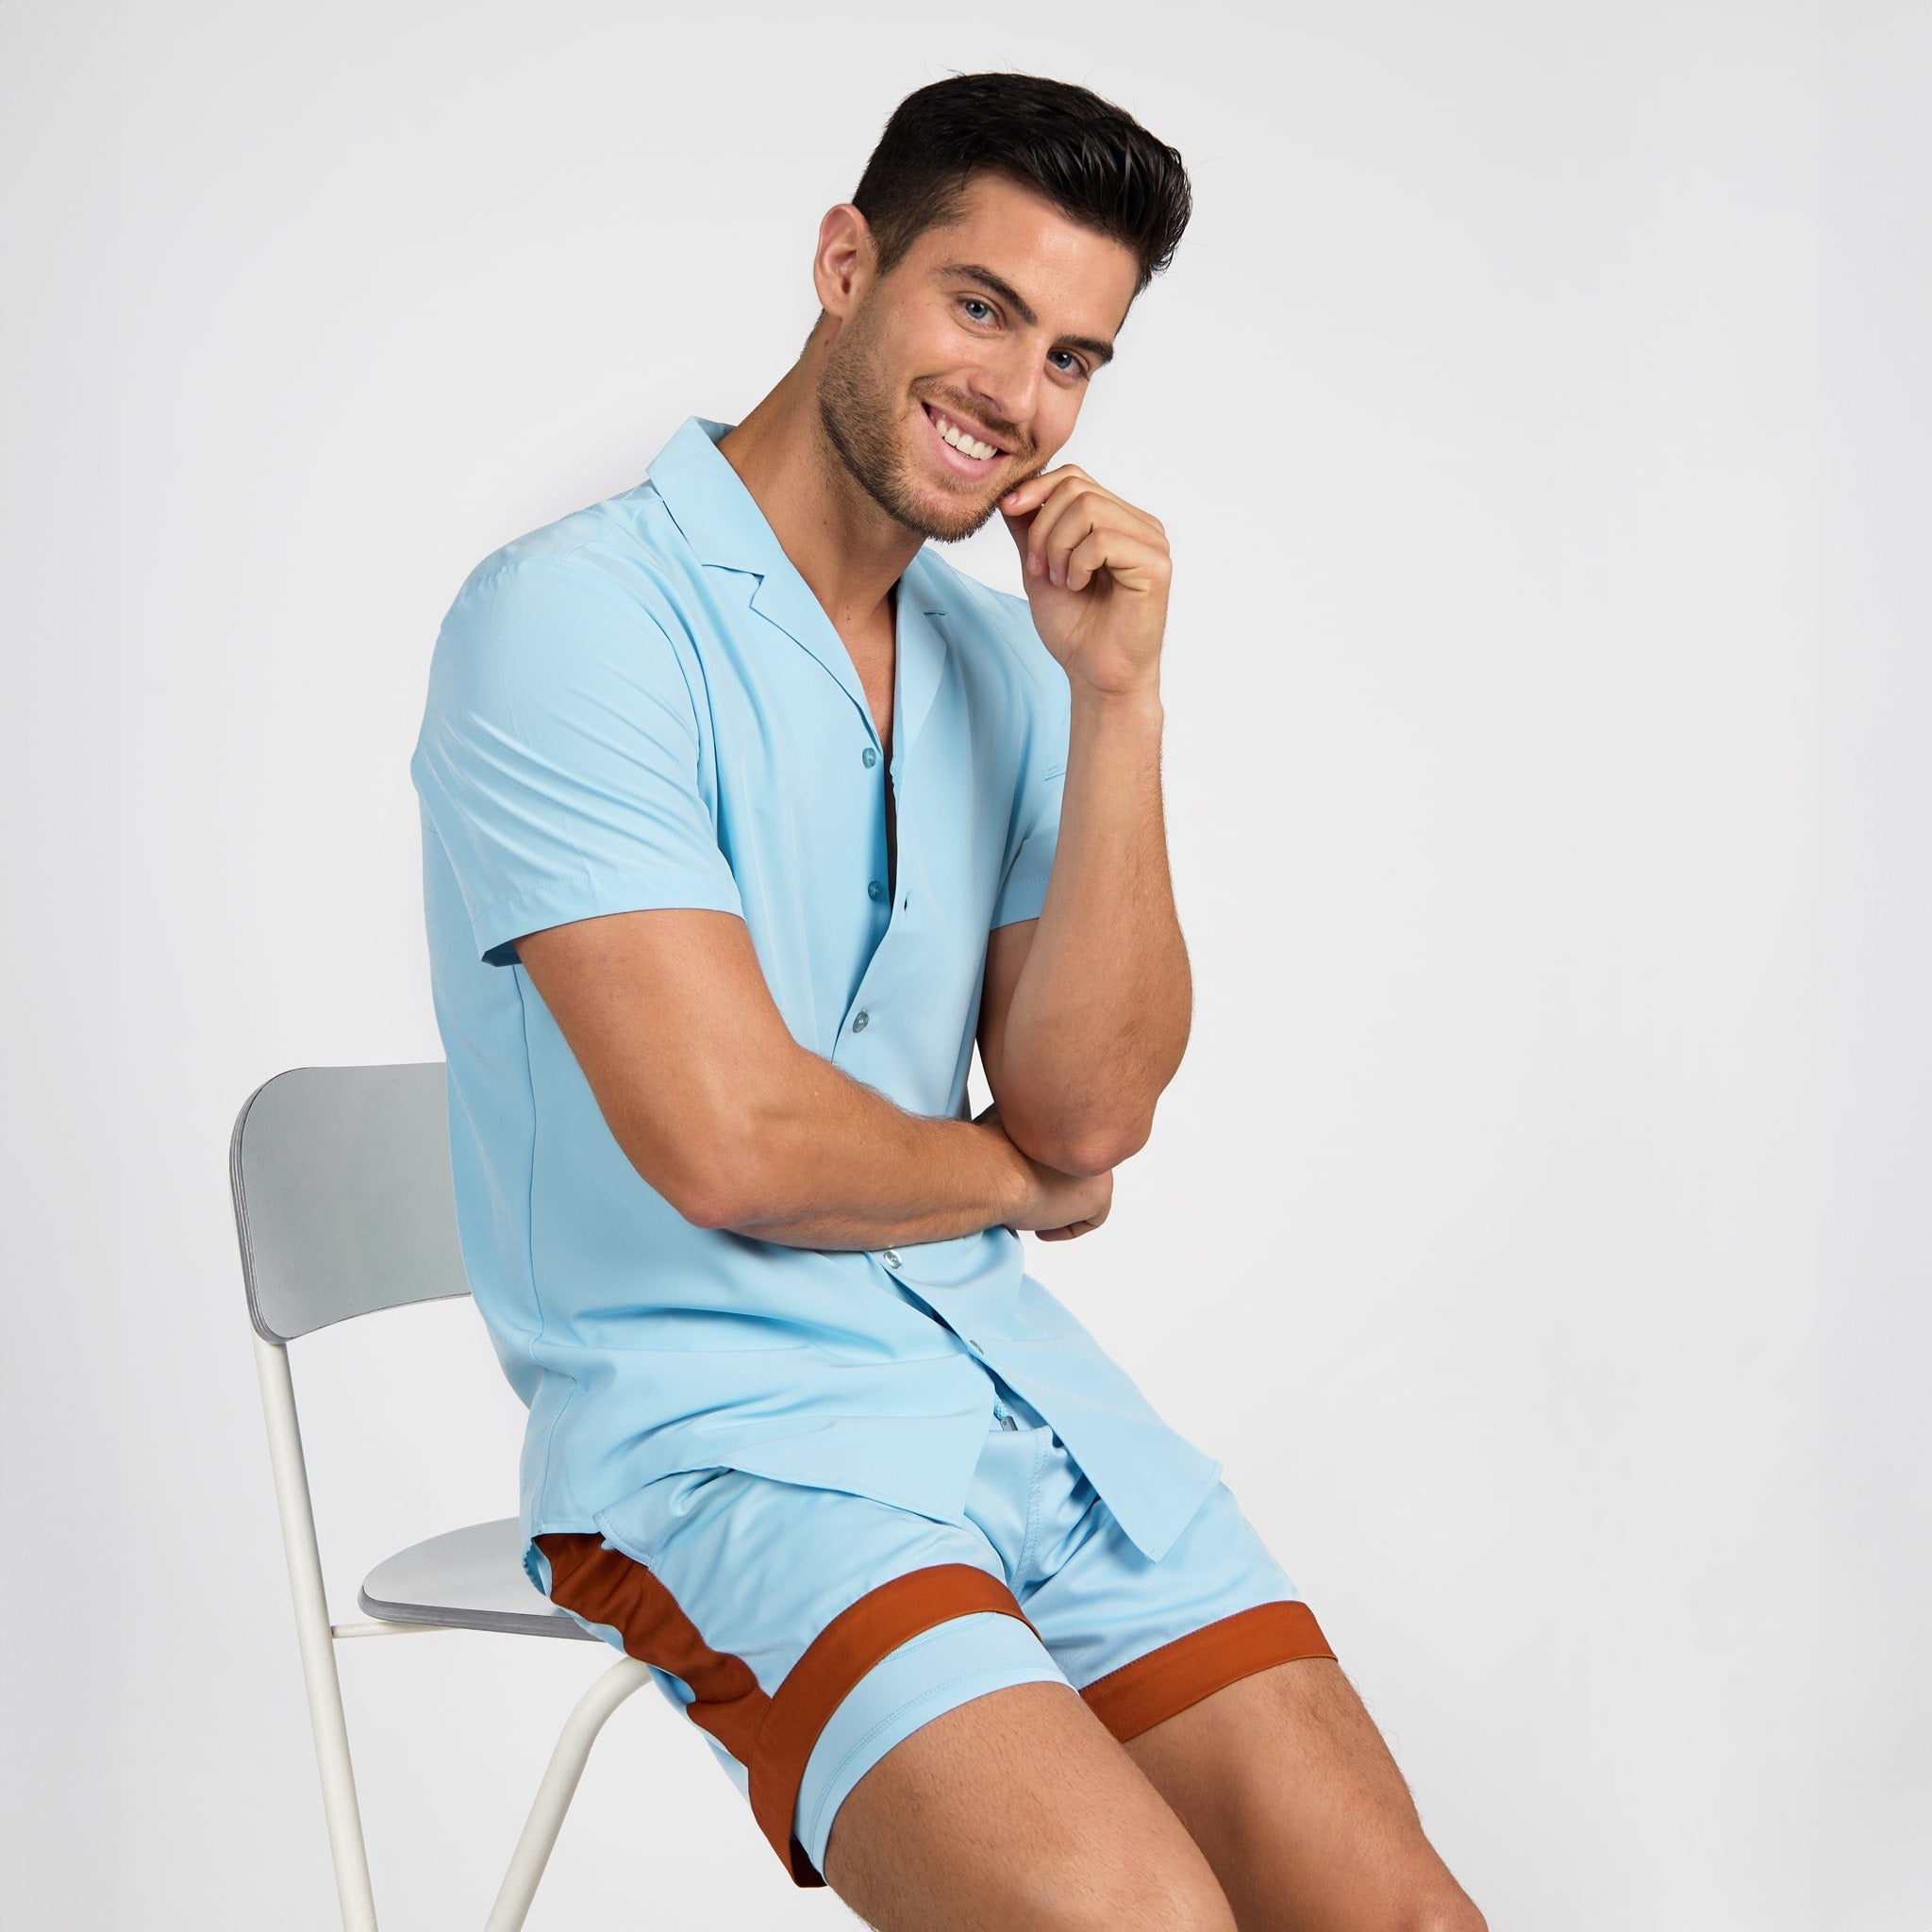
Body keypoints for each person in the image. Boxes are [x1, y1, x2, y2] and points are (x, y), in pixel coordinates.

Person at [410, 69, 1485, 1932]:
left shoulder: (1003, 657)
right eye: (980, 306)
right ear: (847, 264)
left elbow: (1088, 1111)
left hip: (1013, 1411)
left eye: (1072, 355)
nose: (1016, 393)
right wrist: (1015, 1183)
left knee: (1398, 1920)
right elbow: (733, 1143)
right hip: (718, 1438)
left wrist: (1118, 696)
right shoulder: (574, 621)